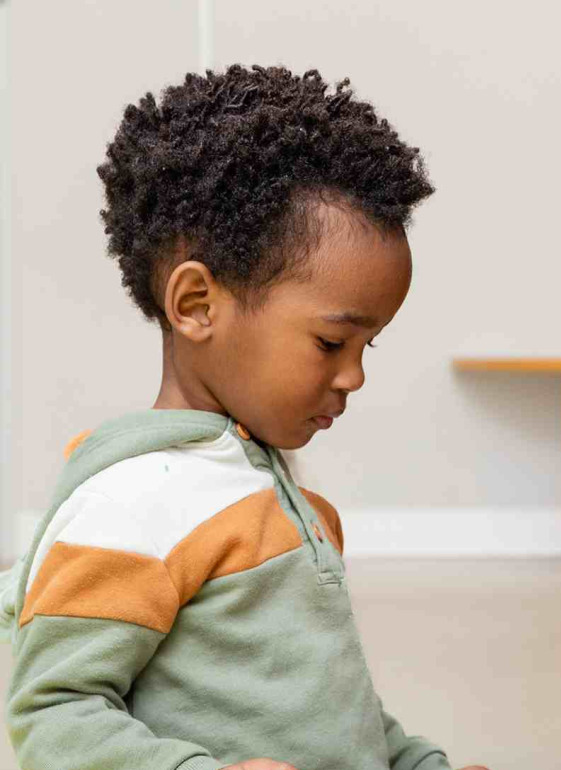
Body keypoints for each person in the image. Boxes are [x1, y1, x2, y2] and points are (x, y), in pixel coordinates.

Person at [1, 65, 485, 770]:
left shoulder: (273, 492)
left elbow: (330, 710)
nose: (354, 376)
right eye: (331, 342)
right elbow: (53, 714)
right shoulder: (130, 505)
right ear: (197, 304)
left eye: (365, 346)